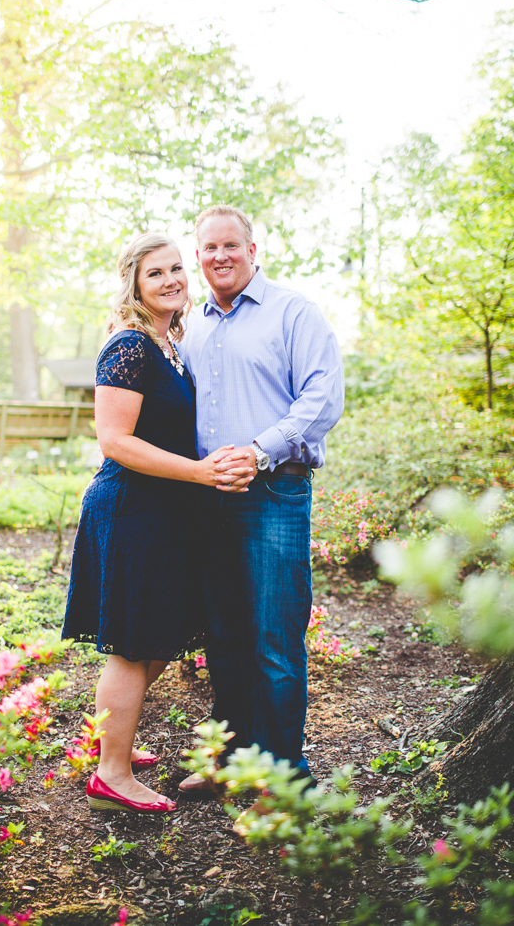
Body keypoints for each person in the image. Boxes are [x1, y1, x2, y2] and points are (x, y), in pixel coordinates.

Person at [61, 232, 256, 814]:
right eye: (156, 273)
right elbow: (114, 440)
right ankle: (111, 775)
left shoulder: (169, 343)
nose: (171, 279)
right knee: (132, 644)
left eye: (176, 269)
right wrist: (199, 473)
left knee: (158, 638)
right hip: (131, 510)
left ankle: (113, 740)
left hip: (165, 512)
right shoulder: (128, 347)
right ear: (134, 285)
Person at [177, 205, 344, 793]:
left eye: (230, 245)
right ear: (197, 258)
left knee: (275, 637)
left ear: (253, 250)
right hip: (208, 498)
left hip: (274, 490)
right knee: (222, 637)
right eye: (208, 248)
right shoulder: (189, 324)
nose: (219, 256)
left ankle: (283, 781)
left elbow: (323, 398)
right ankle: (233, 761)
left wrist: (258, 449)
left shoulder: (293, 313)